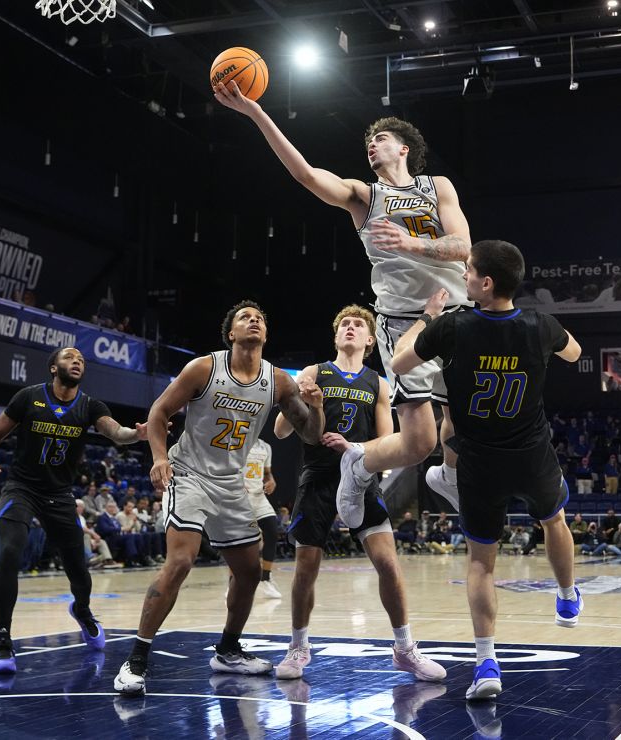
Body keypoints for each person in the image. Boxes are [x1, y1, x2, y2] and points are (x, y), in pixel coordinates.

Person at [214, 83, 472, 522]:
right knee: (418, 443)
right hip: (405, 322)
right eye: (368, 142)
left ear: (404, 148)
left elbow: (463, 245)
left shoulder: (437, 186)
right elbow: (307, 176)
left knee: (463, 418)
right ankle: (360, 460)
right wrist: (257, 113)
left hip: (457, 311)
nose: (371, 144)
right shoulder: (365, 196)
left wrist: (410, 243)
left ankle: (449, 476)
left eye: (381, 139)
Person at [384, 239, 582, 702]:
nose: (464, 277)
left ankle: (487, 663)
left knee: (480, 564)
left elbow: (398, 361)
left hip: (479, 461)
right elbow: (574, 354)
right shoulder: (540, 324)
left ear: (486, 282)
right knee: (554, 519)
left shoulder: (451, 327)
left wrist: (428, 316)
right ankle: (568, 595)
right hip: (531, 453)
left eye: (469, 271)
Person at [114, 301, 325, 697]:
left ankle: (227, 650)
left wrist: (317, 406)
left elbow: (311, 434)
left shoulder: (278, 381)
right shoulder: (204, 369)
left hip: (231, 484)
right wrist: (160, 458)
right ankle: (136, 658)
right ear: (231, 333)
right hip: (189, 474)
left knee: (248, 573)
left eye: (260, 317)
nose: (255, 321)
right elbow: (159, 413)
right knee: (180, 561)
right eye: (245, 317)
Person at [272, 304, 449, 683]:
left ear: (371, 340)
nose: (351, 328)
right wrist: (298, 401)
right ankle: (298, 647)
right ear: (336, 336)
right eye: (345, 325)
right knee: (306, 568)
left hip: (361, 475)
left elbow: (387, 441)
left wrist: (351, 448)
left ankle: (404, 648)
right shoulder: (313, 372)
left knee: (388, 564)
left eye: (358, 325)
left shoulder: (379, 383)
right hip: (318, 477)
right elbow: (281, 431)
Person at [0, 346, 151, 675]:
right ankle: (3, 642)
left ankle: (82, 611)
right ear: (53, 367)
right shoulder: (29, 397)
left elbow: (115, 432)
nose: (77, 361)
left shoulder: (89, 405)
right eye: (70, 357)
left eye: (82, 360)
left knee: (78, 567)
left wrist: (136, 435)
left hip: (59, 494)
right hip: (22, 488)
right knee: (10, 553)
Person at [242, 438, 281, 599]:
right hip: (240, 498)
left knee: (272, 531)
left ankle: (265, 579)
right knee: (239, 541)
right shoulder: (236, 442)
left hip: (259, 497)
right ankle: (233, 582)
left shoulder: (265, 446)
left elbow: (267, 473)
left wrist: (271, 481)